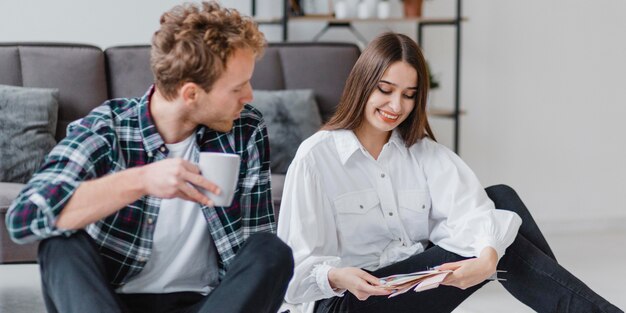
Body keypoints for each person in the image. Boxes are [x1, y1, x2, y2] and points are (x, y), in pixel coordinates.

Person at [277, 32, 622, 313]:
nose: (396, 106)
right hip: (346, 304)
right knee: (502, 230)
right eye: (385, 90)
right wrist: (337, 276)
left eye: (409, 95)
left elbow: (473, 215)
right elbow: (293, 277)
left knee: (500, 202)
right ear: (362, 84)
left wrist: (487, 260)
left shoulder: (421, 152)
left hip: (408, 287)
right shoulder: (316, 158)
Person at [5, 2, 293, 313]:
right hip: (112, 303)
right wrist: (140, 180)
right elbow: (24, 219)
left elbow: (250, 251)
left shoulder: (245, 128)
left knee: (269, 250)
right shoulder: (106, 129)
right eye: (238, 88)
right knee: (60, 244)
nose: (249, 95)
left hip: (206, 304)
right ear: (191, 93)